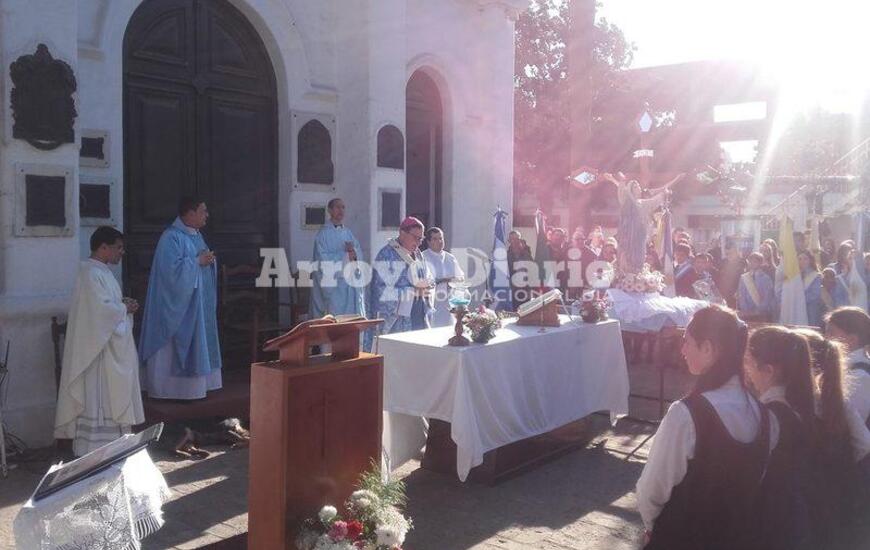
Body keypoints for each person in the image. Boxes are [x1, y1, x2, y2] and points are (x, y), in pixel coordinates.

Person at [636, 305, 773, 550]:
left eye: (688, 341)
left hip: (683, 537)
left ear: (708, 348)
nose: (683, 349)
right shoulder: (762, 413)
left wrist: (652, 528)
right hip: (737, 537)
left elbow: (652, 490)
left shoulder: (686, 414)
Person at [55, 227, 145, 456]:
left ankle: (113, 445)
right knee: (100, 398)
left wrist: (123, 305)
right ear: (103, 247)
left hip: (105, 347)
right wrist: (124, 307)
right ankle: (95, 448)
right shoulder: (89, 273)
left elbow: (107, 306)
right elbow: (99, 313)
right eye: (118, 247)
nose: (121, 252)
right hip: (97, 353)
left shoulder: (102, 272)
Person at [794, 328, 870, 548]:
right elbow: (864, 444)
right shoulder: (836, 400)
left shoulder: (792, 405)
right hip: (837, 499)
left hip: (808, 506)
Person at [139, 197, 222, 400]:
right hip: (176, 307)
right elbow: (170, 273)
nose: (207, 215)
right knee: (173, 344)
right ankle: (170, 389)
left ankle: (198, 387)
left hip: (197, 303)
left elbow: (200, 263)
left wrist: (208, 261)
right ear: (190, 213)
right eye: (203, 211)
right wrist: (197, 262)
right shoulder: (171, 237)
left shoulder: (196, 235)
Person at [743, 327, 814, 550]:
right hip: (789, 517)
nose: (745, 370)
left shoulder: (771, 415)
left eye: (748, 362)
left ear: (768, 371)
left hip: (770, 522)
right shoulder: (800, 403)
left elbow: (753, 474)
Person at [603, 172, 684, 274]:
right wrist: (618, 180)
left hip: (639, 237)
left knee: (638, 259)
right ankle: (625, 276)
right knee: (625, 260)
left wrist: (668, 190)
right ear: (630, 190)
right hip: (627, 238)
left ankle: (636, 276)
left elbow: (657, 197)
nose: (639, 188)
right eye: (636, 187)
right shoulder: (626, 201)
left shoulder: (643, 203)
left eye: (638, 186)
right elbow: (622, 190)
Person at [368, 217, 433, 339]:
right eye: (416, 238)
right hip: (398, 320)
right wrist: (412, 292)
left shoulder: (418, 254)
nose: (419, 243)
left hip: (419, 314)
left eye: (421, 239)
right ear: (402, 233)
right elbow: (380, 291)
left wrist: (429, 284)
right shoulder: (386, 255)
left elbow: (427, 276)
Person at [309, 198, 365, 319]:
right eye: (337, 207)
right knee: (335, 321)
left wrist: (353, 253)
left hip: (350, 285)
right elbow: (321, 261)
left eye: (343, 207)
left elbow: (358, 254)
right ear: (329, 210)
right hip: (334, 288)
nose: (341, 210)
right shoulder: (322, 235)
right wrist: (344, 256)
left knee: (351, 321)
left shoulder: (348, 233)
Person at [825, 307, 870, 427]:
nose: (826, 338)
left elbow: (851, 425)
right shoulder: (846, 367)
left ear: (851, 339)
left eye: (831, 333)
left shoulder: (860, 376)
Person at [422, 227, 464, 327]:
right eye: (435, 239)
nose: (440, 241)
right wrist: (442, 280)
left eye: (441, 238)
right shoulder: (423, 257)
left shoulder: (450, 257)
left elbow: (461, 278)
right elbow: (422, 281)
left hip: (448, 305)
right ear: (428, 241)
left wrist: (453, 281)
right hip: (431, 304)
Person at [737, 252, 775, 322]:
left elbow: (768, 297)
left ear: (760, 263)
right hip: (746, 314)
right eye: (750, 261)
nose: (752, 263)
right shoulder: (744, 277)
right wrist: (746, 310)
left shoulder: (766, 278)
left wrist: (758, 310)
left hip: (761, 314)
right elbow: (742, 295)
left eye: (755, 261)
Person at [507, 230, 533, 310]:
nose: (514, 241)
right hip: (513, 288)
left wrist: (523, 251)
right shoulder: (506, 254)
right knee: (514, 310)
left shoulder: (526, 252)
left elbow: (530, 266)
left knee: (526, 310)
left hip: (525, 287)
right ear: (509, 241)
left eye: (517, 239)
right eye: (512, 239)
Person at [799, 250, 825, 328]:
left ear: (810, 260)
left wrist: (800, 300)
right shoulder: (796, 275)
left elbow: (815, 294)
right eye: (800, 259)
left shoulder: (815, 276)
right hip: (798, 308)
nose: (802, 261)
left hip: (811, 309)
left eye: (805, 258)